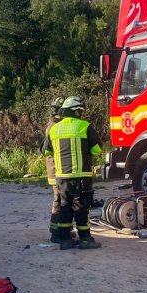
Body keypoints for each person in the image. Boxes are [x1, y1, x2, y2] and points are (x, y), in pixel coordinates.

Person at [42, 96, 102, 250]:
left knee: (65, 207)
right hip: (80, 175)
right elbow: (97, 149)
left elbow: (47, 151)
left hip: (61, 177)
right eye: (80, 111)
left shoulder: (54, 128)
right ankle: (85, 239)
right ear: (76, 111)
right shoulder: (84, 126)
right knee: (81, 208)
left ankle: (65, 240)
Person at [43, 97, 69, 243]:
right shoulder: (54, 126)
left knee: (62, 200)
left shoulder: (54, 124)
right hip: (56, 170)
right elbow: (48, 150)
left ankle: (62, 230)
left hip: (58, 169)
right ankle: (55, 233)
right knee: (58, 201)